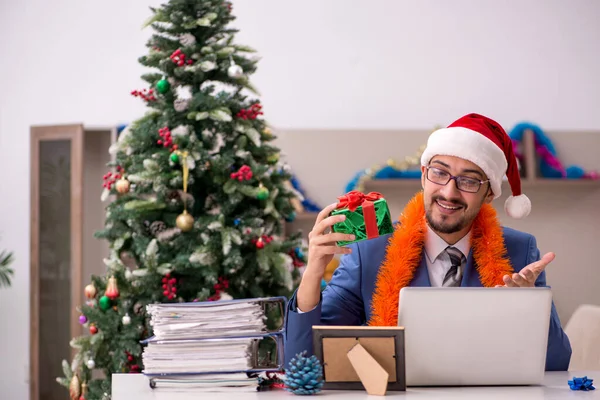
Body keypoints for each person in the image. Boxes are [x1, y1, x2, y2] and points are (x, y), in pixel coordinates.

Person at [283, 113, 572, 371]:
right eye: (439, 172)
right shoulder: (370, 250)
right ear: (423, 176)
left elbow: (557, 365)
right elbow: (303, 359)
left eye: (469, 181)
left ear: (489, 195)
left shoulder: (519, 252)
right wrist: (312, 274)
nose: (449, 192)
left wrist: (529, 309)